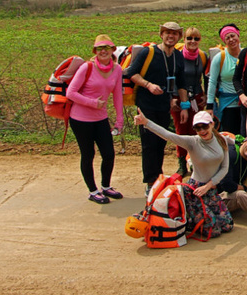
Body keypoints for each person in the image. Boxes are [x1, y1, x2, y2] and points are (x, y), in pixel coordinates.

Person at [134, 109, 233, 239]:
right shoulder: (192, 142)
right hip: (195, 190)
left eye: (204, 126)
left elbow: (224, 168)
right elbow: (168, 135)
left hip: (210, 188)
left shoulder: (222, 140)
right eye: (197, 128)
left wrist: (209, 186)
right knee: (213, 231)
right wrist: (146, 122)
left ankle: (190, 217)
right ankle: (187, 219)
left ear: (212, 124)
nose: (202, 131)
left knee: (227, 225)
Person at [126, 21, 189, 190]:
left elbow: (182, 82)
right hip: (146, 103)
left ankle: (157, 177)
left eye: (175, 33)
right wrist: (148, 85)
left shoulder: (178, 56)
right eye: (167, 32)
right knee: (149, 143)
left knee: (161, 141)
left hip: (163, 104)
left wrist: (184, 106)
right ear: (161, 35)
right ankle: (150, 182)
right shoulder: (149, 52)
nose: (171, 36)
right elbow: (132, 72)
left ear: (178, 37)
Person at [66, 34, 124, 204]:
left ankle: (106, 186)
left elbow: (118, 96)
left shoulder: (117, 69)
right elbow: (71, 92)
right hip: (80, 119)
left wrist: (119, 120)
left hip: (101, 118)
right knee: (88, 154)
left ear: (113, 50)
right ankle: (93, 191)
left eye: (107, 47)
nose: (103, 51)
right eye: (100, 48)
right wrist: (92, 103)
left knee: (108, 153)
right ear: (95, 51)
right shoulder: (87, 67)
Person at [173, 26, 208, 177]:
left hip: (197, 97)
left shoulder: (203, 56)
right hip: (179, 99)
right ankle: (182, 164)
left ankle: (194, 162)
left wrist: (206, 95)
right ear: (184, 39)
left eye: (196, 38)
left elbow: (207, 76)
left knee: (197, 130)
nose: (193, 41)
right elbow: (172, 79)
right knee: (181, 131)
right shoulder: (177, 57)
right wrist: (174, 99)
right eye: (189, 38)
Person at [206, 24, 242, 128]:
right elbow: (212, 81)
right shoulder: (220, 58)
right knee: (229, 135)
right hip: (227, 104)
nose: (231, 39)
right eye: (227, 38)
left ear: (238, 36)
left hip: (245, 103)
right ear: (224, 41)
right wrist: (210, 106)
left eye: (233, 36)